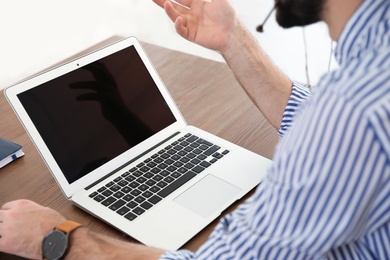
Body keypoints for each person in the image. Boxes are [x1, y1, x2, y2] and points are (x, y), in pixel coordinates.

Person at [1, 0, 389, 258]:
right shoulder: (374, 61)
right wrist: (232, 39)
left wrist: (58, 238)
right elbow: (319, 123)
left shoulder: (351, 109)